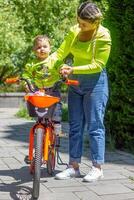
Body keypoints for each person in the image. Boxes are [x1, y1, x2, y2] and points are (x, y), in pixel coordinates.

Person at [42, 1, 111, 182]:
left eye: (84, 24)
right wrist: (47, 64)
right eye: (78, 21)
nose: (80, 26)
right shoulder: (74, 31)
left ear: (95, 23)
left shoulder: (103, 35)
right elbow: (60, 52)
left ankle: (97, 167)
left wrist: (73, 69)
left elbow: (98, 65)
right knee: (74, 126)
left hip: (95, 83)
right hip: (75, 83)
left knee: (95, 126)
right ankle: (73, 166)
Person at [22, 34, 62, 124]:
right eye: (38, 47)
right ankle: (40, 129)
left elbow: (61, 66)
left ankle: (57, 132)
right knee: (39, 113)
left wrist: (63, 70)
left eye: (45, 46)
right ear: (34, 50)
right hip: (38, 90)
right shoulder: (31, 64)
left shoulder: (54, 61)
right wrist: (26, 82)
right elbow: (26, 74)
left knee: (56, 113)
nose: (42, 49)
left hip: (53, 89)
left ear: (50, 48)